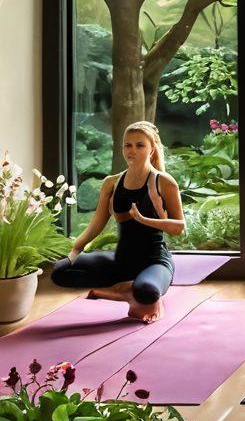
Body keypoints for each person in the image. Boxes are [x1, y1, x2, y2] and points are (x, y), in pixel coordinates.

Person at [50, 120, 185, 324]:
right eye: (127, 145)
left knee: (146, 291)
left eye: (139, 145)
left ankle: (139, 292)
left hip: (155, 261)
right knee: (60, 272)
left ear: (151, 149)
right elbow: (96, 224)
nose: (132, 150)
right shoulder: (112, 183)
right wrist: (74, 250)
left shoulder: (163, 182)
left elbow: (179, 228)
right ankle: (127, 289)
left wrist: (144, 219)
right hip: (121, 261)